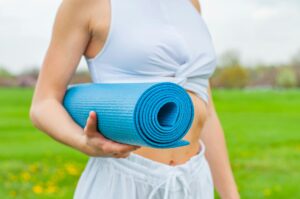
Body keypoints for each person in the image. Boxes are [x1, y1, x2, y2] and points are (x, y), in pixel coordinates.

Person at [30, 0, 240, 198]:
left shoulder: (190, 4)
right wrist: (83, 142)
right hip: (124, 178)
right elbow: (44, 103)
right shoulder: (89, 4)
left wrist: (231, 195)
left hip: (194, 181)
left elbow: (206, 113)